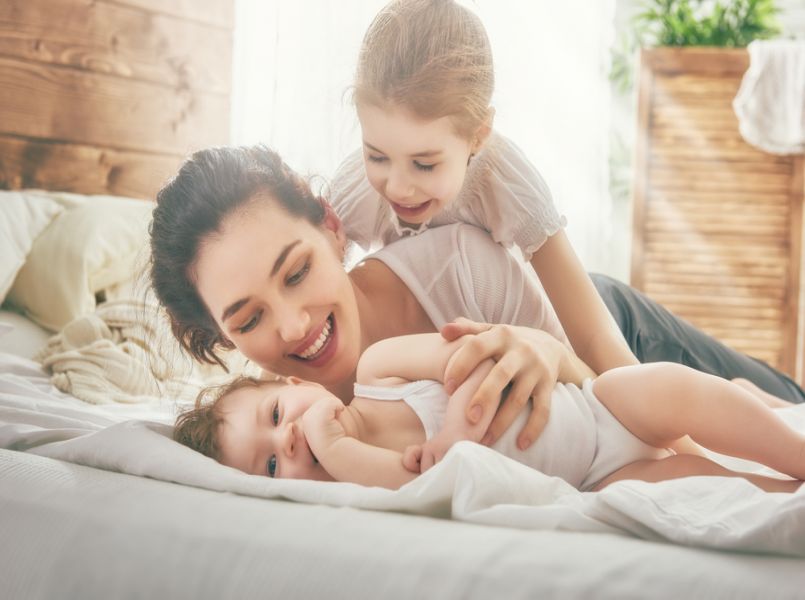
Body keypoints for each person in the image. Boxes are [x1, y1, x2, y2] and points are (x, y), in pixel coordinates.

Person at [148, 145, 803, 457]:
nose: (293, 326)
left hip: (600, 334)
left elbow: (619, 399)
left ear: (328, 226)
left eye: (295, 273)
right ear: (220, 336)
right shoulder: (279, 424)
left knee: (782, 410)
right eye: (249, 319)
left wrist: (545, 349)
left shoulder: (458, 264)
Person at [329, 0, 805, 406]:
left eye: (425, 165)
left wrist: (670, 436)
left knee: (764, 401)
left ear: (478, 136)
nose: (398, 187)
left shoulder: (504, 177)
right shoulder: (357, 190)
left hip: (607, 324)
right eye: (377, 156)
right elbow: (314, 297)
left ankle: (761, 393)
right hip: (544, 346)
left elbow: (597, 340)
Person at [173, 332, 804, 493]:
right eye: (271, 468)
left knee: (677, 389)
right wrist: (337, 453)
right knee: (706, 491)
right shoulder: (361, 481)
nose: (289, 440)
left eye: (277, 413)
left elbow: (474, 354)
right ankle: (778, 490)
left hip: (600, 410)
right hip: (596, 479)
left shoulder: (377, 372)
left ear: (292, 382)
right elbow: (421, 485)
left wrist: (454, 430)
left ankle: (793, 451)